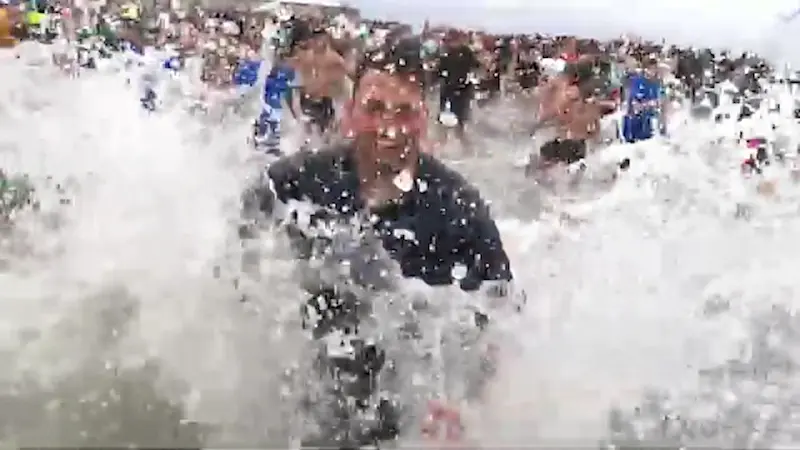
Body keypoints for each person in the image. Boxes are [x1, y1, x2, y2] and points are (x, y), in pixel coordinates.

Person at [240, 38, 515, 448]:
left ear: (423, 120)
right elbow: (240, 246)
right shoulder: (299, 179)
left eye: (404, 112)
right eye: (375, 109)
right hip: (309, 382)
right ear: (350, 113)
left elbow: (499, 313)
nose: (390, 126)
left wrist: (466, 402)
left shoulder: (459, 207)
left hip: (405, 402)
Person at [253, 55, 296, 154]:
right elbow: (263, 94)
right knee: (268, 119)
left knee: (276, 121)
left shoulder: (283, 80)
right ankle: (263, 138)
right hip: (271, 107)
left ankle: (275, 140)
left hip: (279, 108)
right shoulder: (269, 80)